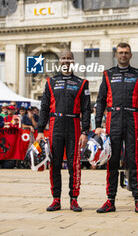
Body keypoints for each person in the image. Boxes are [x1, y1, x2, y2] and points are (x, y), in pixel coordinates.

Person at [95, 42, 138, 215]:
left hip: (133, 119)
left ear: (131, 55)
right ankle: (110, 200)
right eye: (120, 52)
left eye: (126, 52)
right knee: (112, 161)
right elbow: (101, 101)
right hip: (113, 120)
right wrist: (97, 125)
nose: (123, 55)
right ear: (116, 55)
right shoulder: (108, 74)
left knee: (133, 161)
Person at [36, 50, 91, 212]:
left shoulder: (82, 83)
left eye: (69, 58)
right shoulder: (50, 82)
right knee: (55, 163)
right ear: (59, 61)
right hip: (55, 124)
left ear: (73, 61)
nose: (66, 61)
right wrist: (40, 130)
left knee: (75, 164)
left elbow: (86, 110)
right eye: (63, 58)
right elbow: (44, 108)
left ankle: (74, 199)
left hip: (74, 124)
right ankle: (56, 199)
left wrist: (85, 131)